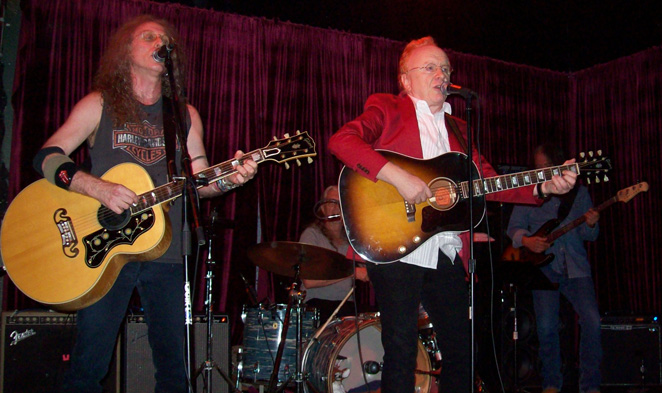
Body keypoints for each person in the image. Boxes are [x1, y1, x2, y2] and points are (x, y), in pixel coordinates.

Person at [327, 36, 577, 393]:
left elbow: (489, 181)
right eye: (429, 67)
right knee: (400, 348)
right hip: (393, 240)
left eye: (445, 68)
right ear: (405, 79)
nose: (440, 74)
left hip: (443, 250)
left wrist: (543, 187)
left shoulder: (460, 128)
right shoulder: (386, 108)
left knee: (462, 349)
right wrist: (398, 177)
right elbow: (342, 141)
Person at [32, 15, 257, 392]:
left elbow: (199, 182)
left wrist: (230, 178)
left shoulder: (184, 115)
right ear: (126, 50)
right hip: (103, 251)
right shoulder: (99, 104)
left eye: (166, 39)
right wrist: (95, 187)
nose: (160, 42)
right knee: (90, 362)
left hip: (167, 252)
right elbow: (46, 157)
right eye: (149, 36)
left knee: (173, 368)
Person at [507, 143, 601, 393]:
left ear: (557, 165)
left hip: (575, 266)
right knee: (546, 327)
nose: (540, 171)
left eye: (545, 166)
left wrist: (591, 224)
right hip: (543, 268)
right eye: (537, 167)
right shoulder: (531, 192)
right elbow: (513, 228)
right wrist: (528, 240)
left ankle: (590, 385)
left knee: (592, 322)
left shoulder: (579, 194)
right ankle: (551, 383)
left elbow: (589, 236)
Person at [299, 185, 369, 322]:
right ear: (322, 208)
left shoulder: (352, 239)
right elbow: (309, 280)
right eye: (331, 202)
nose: (336, 208)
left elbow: (368, 273)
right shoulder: (312, 235)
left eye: (340, 203)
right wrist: (352, 273)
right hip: (317, 306)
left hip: (346, 306)